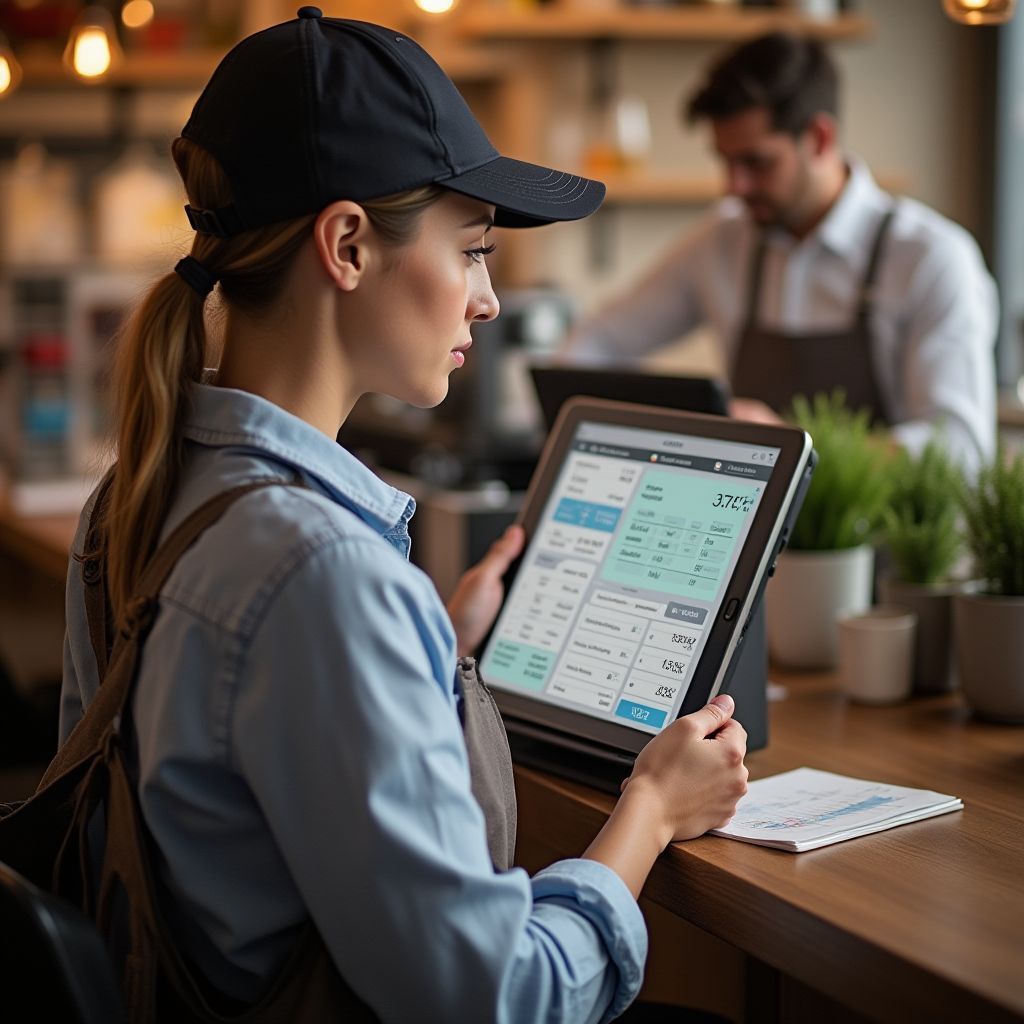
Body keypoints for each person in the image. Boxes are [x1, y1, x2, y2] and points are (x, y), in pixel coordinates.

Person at [57, 10, 748, 1023]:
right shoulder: (321, 577)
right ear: (344, 244)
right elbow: (491, 995)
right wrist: (648, 810)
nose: (489, 300)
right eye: (471, 250)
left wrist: (429, 650)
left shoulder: (133, 496)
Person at [563, 31, 998, 475]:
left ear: (821, 138)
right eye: (725, 162)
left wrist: (791, 447)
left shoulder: (930, 258)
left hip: (880, 542)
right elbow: (597, 341)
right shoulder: (721, 241)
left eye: (756, 162)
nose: (734, 186)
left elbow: (960, 448)